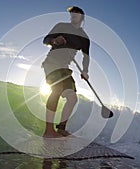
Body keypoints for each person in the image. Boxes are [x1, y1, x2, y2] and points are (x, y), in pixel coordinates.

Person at [42, 6, 90, 138]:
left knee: (72, 98)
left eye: (77, 13)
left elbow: (86, 56)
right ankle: (48, 131)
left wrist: (85, 71)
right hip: (52, 62)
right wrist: (54, 41)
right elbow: (45, 40)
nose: (73, 15)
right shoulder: (61, 26)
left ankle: (61, 129)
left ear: (82, 17)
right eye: (72, 13)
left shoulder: (84, 37)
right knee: (56, 88)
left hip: (65, 67)